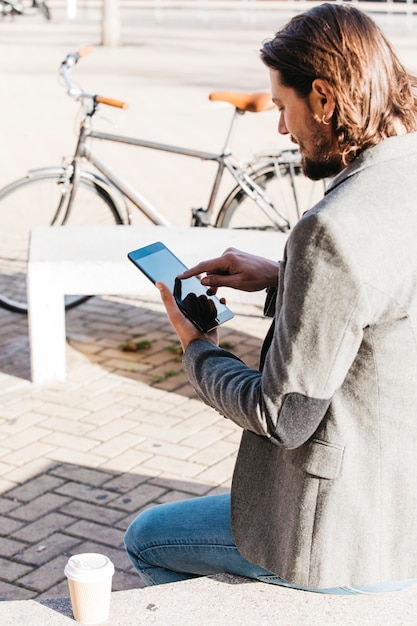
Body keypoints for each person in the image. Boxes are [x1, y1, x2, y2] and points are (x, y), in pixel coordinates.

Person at [124, 3, 417, 594]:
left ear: (325, 99)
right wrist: (283, 277)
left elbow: (282, 416)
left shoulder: (332, 229)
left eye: (284, 107)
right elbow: (387, 297)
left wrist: (197, 348)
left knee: (147, 538)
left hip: (341, 537)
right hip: (402, 498)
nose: (282, 128)